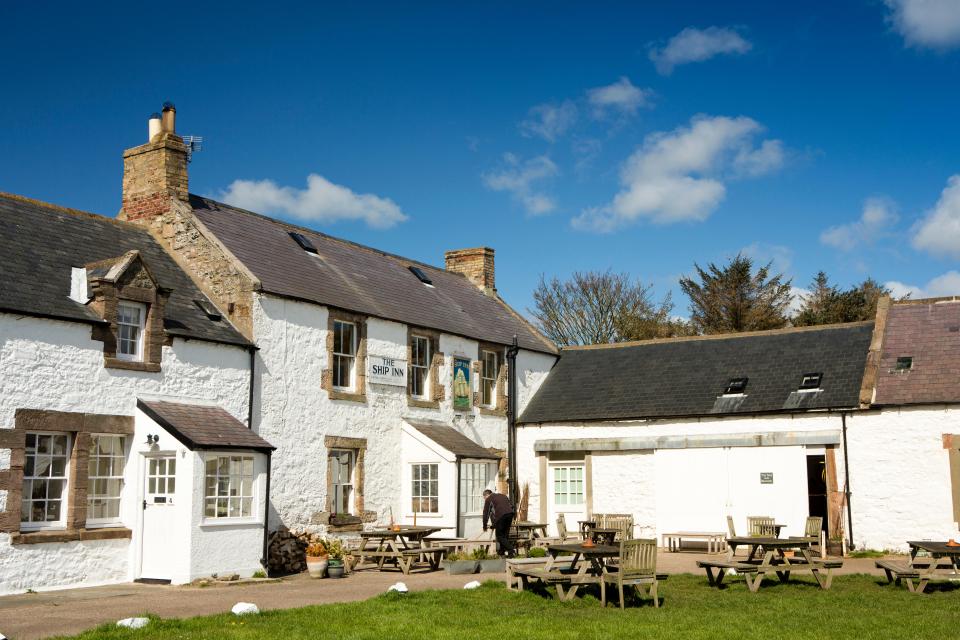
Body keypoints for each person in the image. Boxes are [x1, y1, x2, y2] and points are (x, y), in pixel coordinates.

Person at [482, 489, 516, 558]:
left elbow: (486, 513)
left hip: (502, 516)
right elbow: (511, 506)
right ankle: (502, 552)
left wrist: (484, 526)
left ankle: (511, 550)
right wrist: (494, 524)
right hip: (510, 514)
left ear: (487, 495)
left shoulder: (489, 499)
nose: (484, 499)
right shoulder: (503, 496)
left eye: (484, 497)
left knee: (499, 536)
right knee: (505, 535)